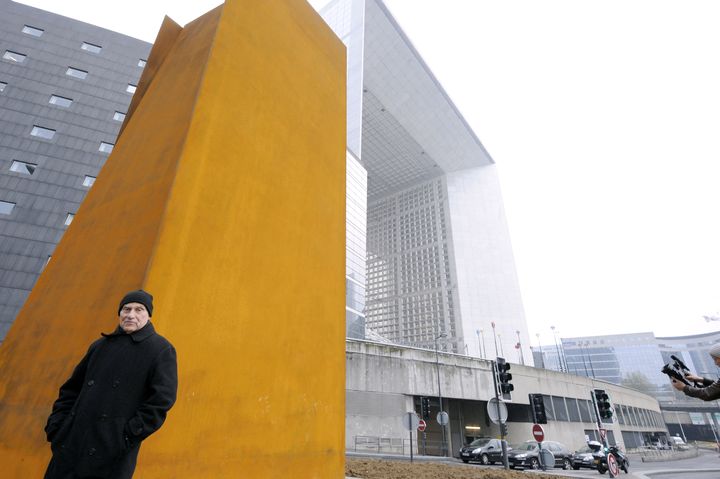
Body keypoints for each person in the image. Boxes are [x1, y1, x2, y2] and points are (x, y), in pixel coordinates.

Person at [44, 290, 178, 479]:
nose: (131, 315)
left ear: (148, 315)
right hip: (70, 445)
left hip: (111, 453)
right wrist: (57, 427)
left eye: (139, 309)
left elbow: (160, 401)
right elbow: (70, 389)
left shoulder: (161, 349)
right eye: (126, 309)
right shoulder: (100, 346)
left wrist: (125, 436)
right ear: (119, 314)